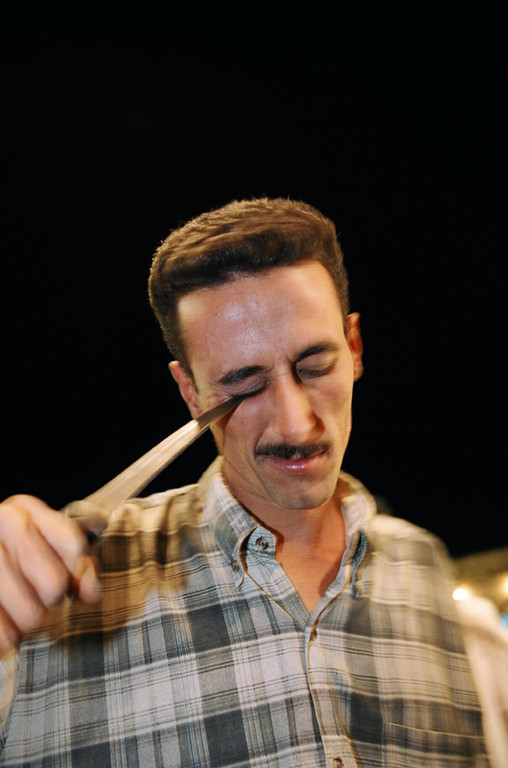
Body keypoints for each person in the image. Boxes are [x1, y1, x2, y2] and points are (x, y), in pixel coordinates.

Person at [0, 198, 505, 767]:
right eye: (244, 386)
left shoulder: (430, 572)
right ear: (191, 394)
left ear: (354, 347)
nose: (296, 424)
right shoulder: (55, 594)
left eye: (315, 366)